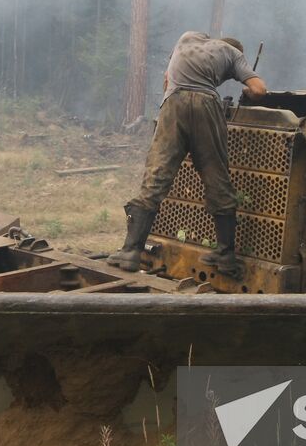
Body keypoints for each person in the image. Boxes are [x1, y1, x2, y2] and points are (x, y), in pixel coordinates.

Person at [109, 33, 268, 278]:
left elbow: (167, 79)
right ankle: (226, 256)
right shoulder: (234, 54)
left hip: (174, 102)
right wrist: (246, 92)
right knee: (217, 178)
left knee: (156, 177)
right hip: (206, 106)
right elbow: (259, 90)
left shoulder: (187, 39)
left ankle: (131, 251)